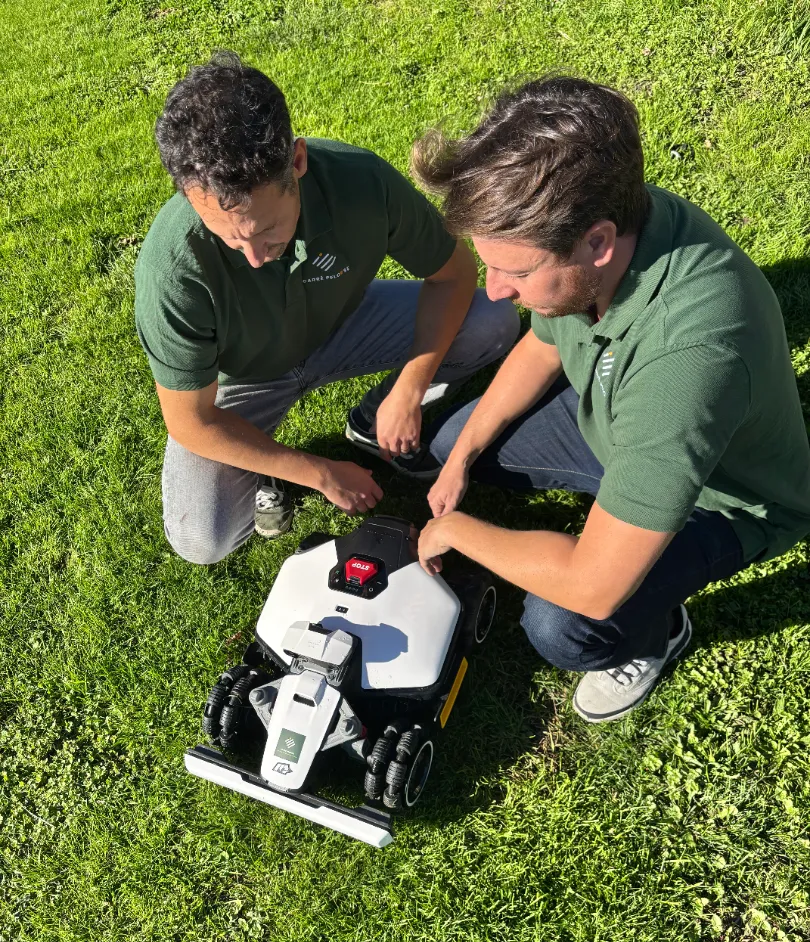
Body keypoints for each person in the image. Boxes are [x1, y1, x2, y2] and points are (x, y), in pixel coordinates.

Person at [412, 76, 810, 722]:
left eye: (515, 271)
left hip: (725, 498)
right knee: (454, 442)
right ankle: (622, 510)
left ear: (597, 242)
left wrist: (457, 530)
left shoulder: (690, 360)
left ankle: (657, 633)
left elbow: (591, 587)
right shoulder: (611, 225)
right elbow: (544, 347)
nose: (494, 292)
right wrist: (461, 459)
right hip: (621, 419)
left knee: (563, 623)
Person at [134, 52, 519, 564]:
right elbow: (191, 422)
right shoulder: (171, 266)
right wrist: (317, 472)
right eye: (226, 237)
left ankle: (369, 418)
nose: (251, 257)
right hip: (245, 379)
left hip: (346, 323)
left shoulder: (361, 183)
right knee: (203, 539)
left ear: (297, 161)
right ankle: (268, 465)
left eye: (266, 230)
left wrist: (410, 387)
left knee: (494, 321)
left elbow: (454, 274)